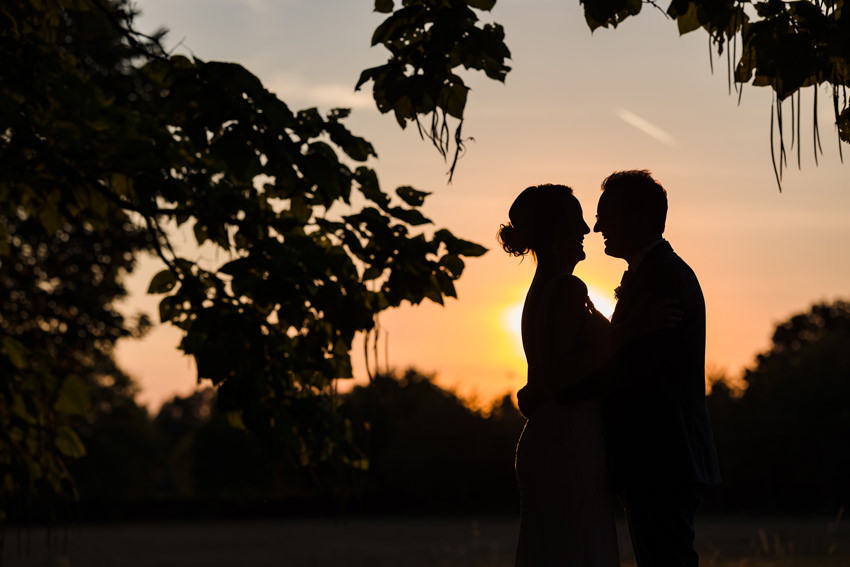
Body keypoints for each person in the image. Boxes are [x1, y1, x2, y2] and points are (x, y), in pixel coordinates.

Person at [499, 184, 677, 567]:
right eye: (576, 218)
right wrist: (628, 330)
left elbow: (546, 375)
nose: (586, 228)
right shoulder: (565, 288)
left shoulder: (548, 287)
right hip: (568, 440)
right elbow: (559, 377)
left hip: (563, 436)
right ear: (555, 230)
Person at [564, 170, 722, 567]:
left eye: (605, 216)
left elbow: (637, 370)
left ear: (635, 216)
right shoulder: (653, 272)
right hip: (656, 454)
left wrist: (561, 387)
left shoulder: (663, 276)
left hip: (659, 454)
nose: (596, 226)